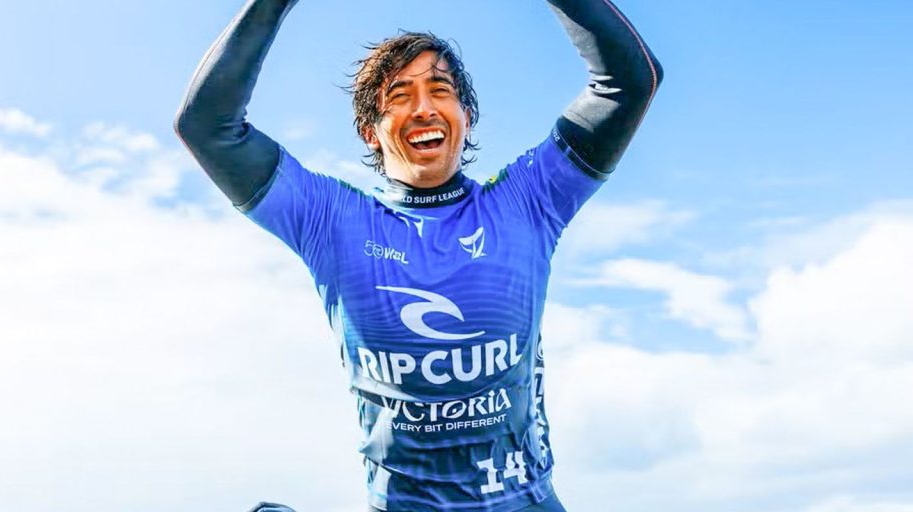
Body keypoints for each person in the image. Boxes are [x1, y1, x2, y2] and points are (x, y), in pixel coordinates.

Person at [175, 0, 663, 510]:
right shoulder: (331, 221)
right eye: (399, 96)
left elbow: (630, 81)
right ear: (372, 132)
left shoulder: (529, 200)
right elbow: (207, 126)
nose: (424, 108)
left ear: (466, 118)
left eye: (440, 90)